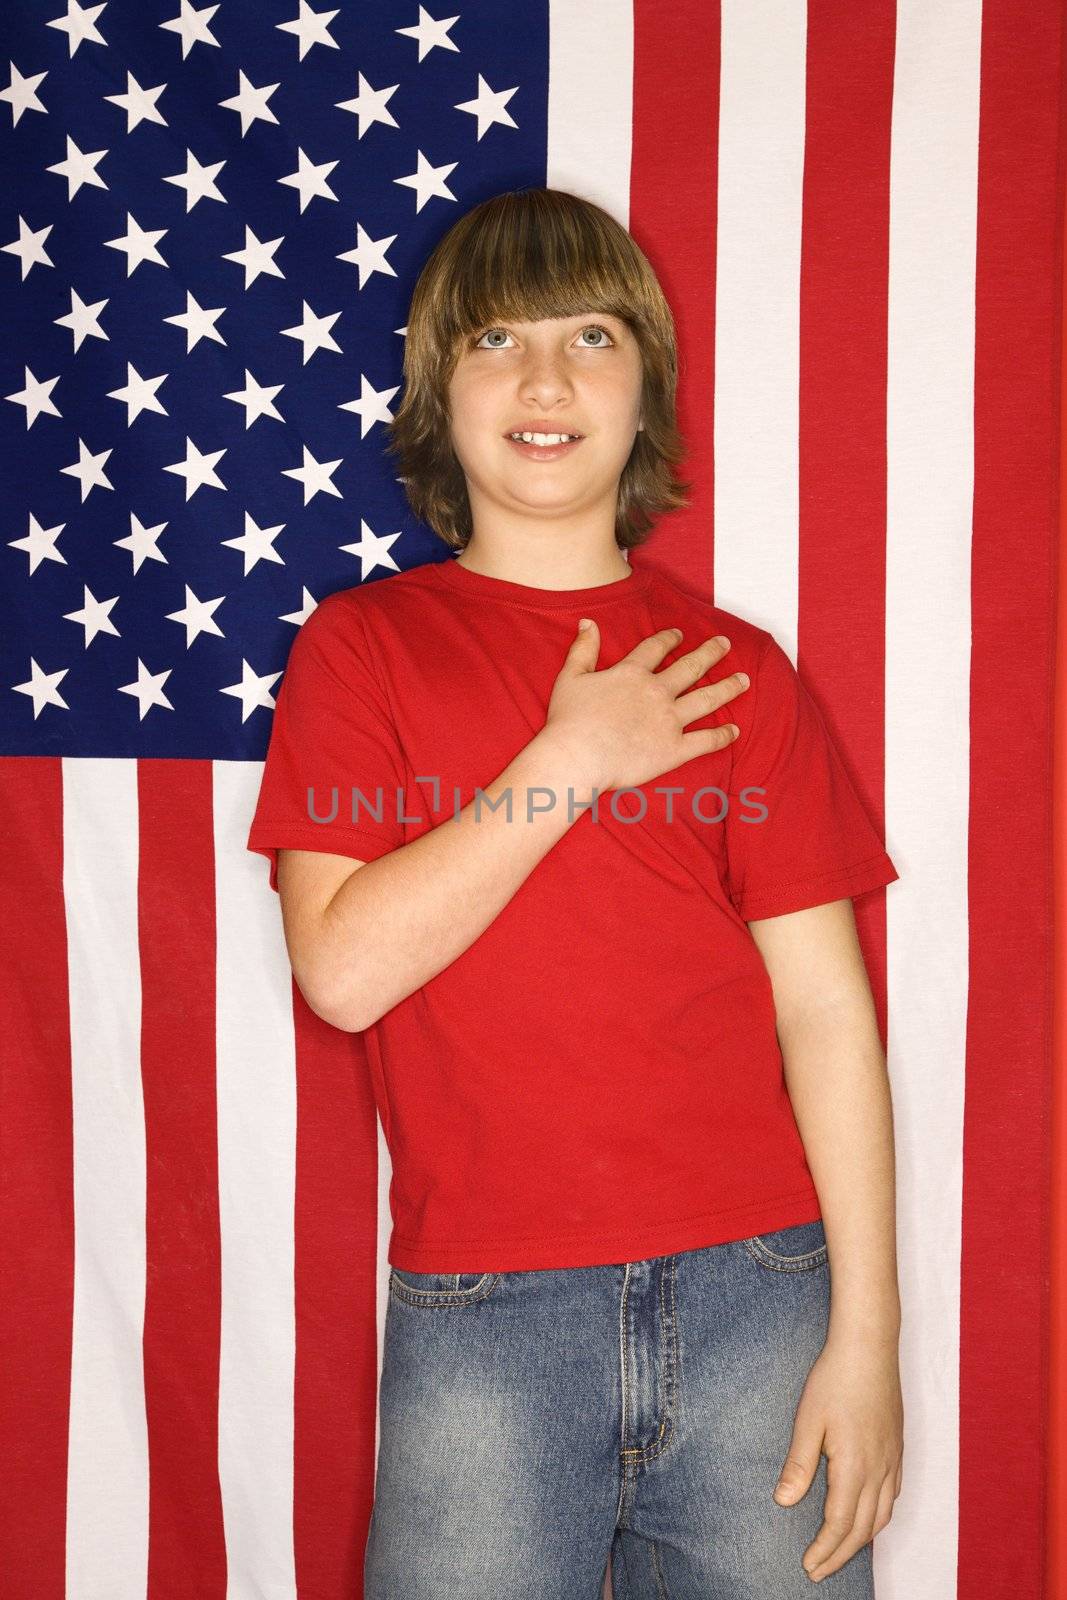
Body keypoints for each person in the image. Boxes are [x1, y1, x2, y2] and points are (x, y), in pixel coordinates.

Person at [247, 187, 904, 1599]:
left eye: (590, 336)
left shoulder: (738, 668)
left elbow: (827, 1015)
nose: (545, 379)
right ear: (439, 392)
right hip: (485, 1318)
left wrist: (869, 1339)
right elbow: (345, 972)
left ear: (646, 388)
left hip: (760, 1301)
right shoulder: (362, 651)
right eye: (495, 339)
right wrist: (570, 761)